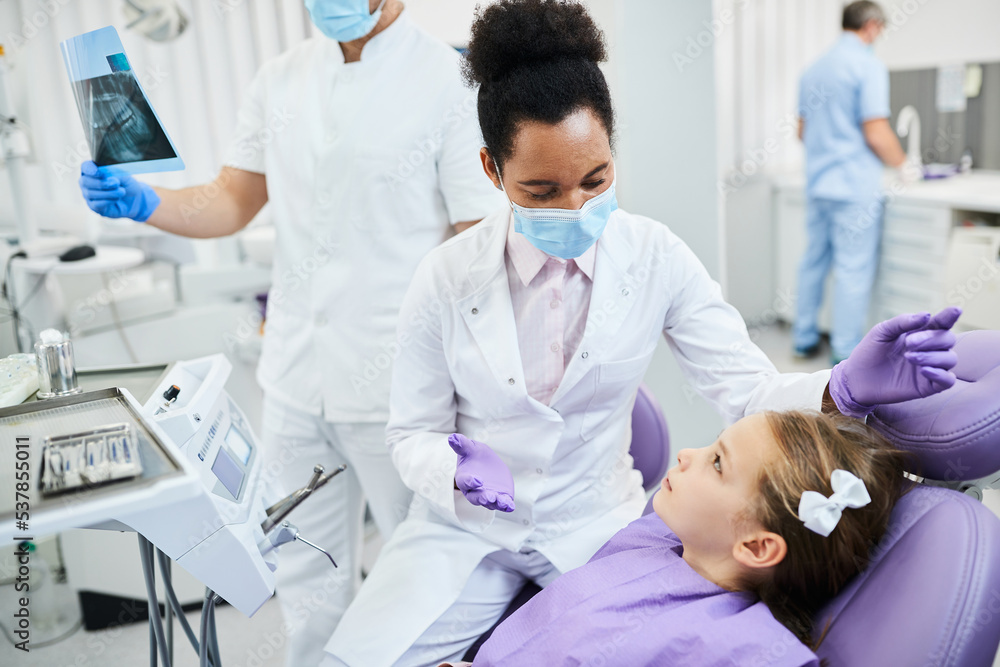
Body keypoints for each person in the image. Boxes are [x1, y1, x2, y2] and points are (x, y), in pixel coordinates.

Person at [321, 2, 959, 665]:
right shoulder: (445, 277)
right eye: (542, 191)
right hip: (465, 531)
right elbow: (409, 434)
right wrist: (454, 468)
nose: (575, 208)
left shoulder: (656, 257)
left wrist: (842, 383)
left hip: (595, 525)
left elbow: (748, 389)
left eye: (595, 180)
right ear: (491, 170)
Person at [77, 1, 503, 663]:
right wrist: (146, 201)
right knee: (306, 573)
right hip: (297, 379)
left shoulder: (450, 84)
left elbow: (477, 241)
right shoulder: (280, 77)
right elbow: (233, 198)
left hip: (402, 382)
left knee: (416, 573)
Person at [443, 409, 908, 666]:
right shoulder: (655, 538)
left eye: (718, 462)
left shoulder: (740, 647)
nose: (688, 453)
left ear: (757, 546)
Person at [793, 0, 909, 364]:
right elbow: (876, 131)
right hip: (853, 187)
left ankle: (803, 338)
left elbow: (802, 131)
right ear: (872, 26)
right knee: (852, 269)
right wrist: (904, 164)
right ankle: (845, 353)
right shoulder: (868, 66)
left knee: (813, 261)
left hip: (819, 185)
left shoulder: (812, 70)